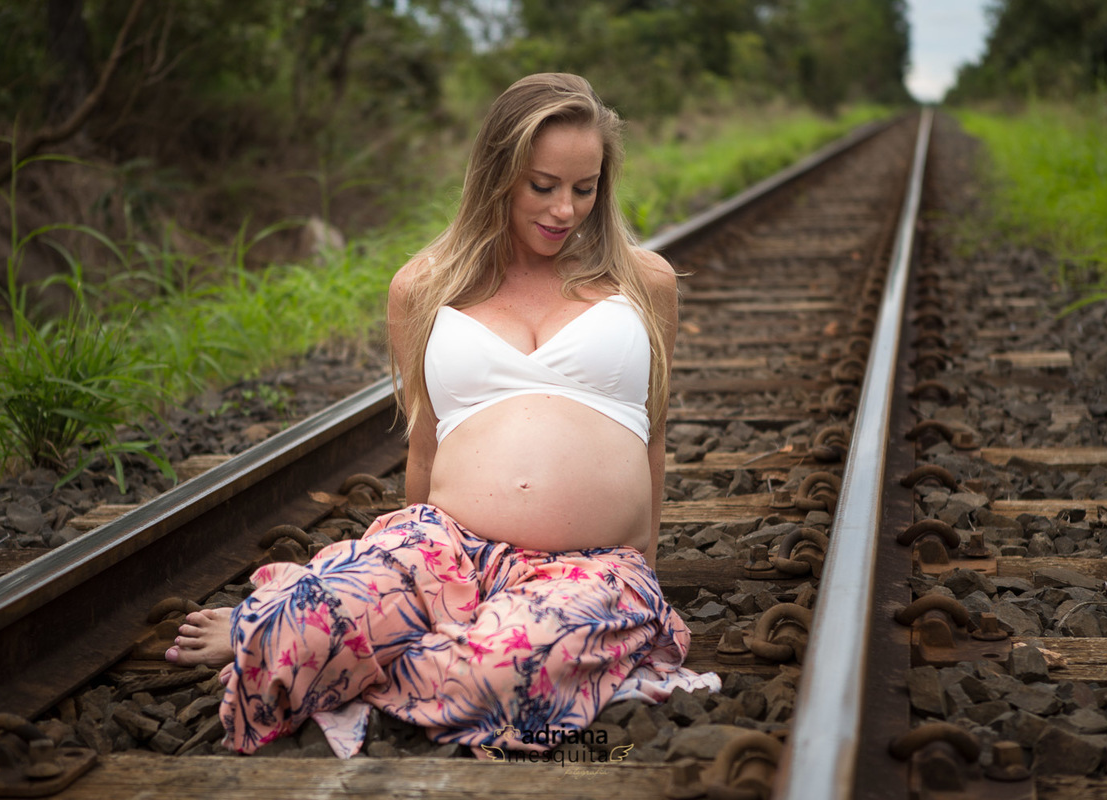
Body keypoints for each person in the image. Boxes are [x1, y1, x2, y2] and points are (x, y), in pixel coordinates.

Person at [166, 72, 709, 757]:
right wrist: (399, 565)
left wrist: (646, 569)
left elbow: (650, 436)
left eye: (585, 187)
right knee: (308, 627)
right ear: (497, 175)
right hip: (446, 549)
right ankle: (318, 629)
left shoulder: (644, 281)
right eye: (542, 186)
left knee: (500, 671)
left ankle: (334, 650)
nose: (565, 209)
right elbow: (424, 444)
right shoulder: (424, 287)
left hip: (590, 564)